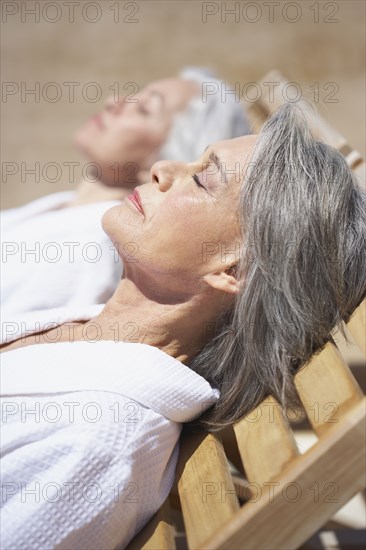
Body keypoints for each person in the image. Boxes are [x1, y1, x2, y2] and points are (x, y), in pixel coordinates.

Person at [1, 103, 365, 549]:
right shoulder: (84, 324)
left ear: (233, 271)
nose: (162, 168)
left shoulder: (96, 445)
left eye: (201, 178)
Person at [1, 67, 250, 316]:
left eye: (143, 109)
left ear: (166, 161)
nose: (113, 102)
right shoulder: (62, 205)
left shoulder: (95, 248)